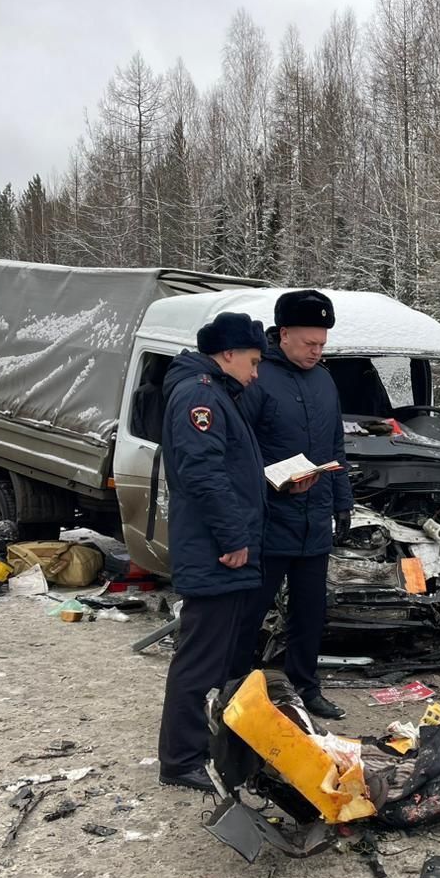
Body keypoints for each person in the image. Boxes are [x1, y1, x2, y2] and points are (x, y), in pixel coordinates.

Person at [157, 311, 269, 791]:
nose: (256, 371)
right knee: (201, 657)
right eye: (252, 360)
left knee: (220, 655)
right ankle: (181, 760)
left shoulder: (218, 391)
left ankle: (206, 747)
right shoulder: (200, 396)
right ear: (227, 353)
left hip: (220, 548)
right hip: (214, 550)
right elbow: (203, 474)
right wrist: (234, 538)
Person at [242, 289, 353, 720]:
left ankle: (307, 688)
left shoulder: (324, 380)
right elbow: (240, 450)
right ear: (283, 334)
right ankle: (238, 689)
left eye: (322, 344)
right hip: (269, 520)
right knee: (249, 613)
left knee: (310, 613)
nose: (316, 351)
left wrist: (342, 502)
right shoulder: (257, 379)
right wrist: (274, 482)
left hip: (314, 520)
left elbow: (336, 446)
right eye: (309, 343)